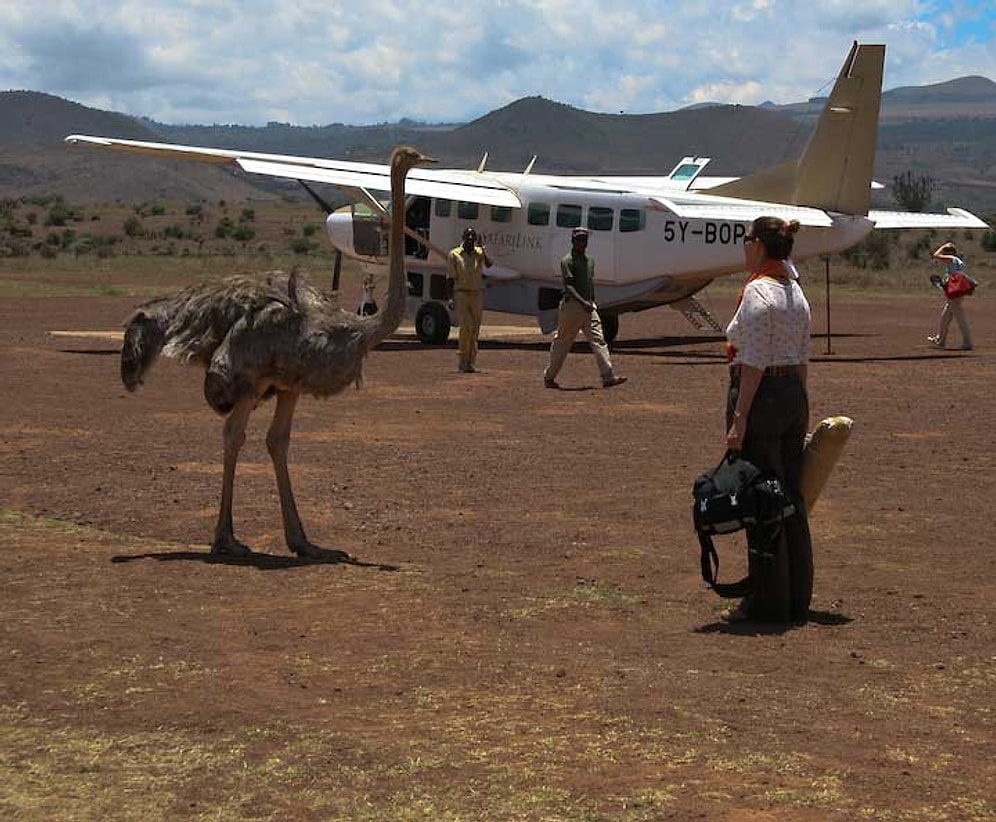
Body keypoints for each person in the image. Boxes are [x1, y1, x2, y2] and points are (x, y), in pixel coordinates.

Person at [723, 216, 813, 624]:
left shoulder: (759, 293)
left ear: (758, 244)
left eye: (746, 240)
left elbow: (754, 362)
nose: (743, 248)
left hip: (764, 396)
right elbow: (802, 359)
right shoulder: (794, 291)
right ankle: (795, 593)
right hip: (793, 393)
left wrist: (739, 419)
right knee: (790, 496)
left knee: (762, 497)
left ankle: (767, 598)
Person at [543, 227, 627, 389]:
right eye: (579, 239)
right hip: (572, 307)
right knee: (563, 341)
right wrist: (583, 302)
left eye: (584, 239)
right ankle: (549, 377)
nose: (582, 242)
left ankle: (608, 376)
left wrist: (592, 302)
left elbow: (589, 283)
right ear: (572, 241)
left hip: (588, 306)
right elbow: (569, 286)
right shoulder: (568, 261)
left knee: (598, 340)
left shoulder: (589, 260)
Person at [446, 227, 493, 372]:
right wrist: (450, 298)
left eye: (473, 237)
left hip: (476, 293)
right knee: (466, 327)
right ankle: (463, 360)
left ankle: (471, 361)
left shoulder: (478, 254)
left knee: (475, 329)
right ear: (463, 238)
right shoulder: (454, 254)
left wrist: (483, 251)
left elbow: (489, 264)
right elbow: (450, 278)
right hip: (461, 293)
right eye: (468, 237)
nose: (471, 240)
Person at [928, 242, 974, 351]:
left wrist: (943, 246)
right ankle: (941, 340)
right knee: (945, 316)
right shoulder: (958, 261)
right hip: (958, 291)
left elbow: (935, 255)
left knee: (960, 317)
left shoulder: (951, 258)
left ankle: (967, 342)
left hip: (955, 292)